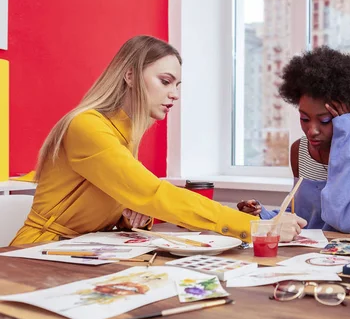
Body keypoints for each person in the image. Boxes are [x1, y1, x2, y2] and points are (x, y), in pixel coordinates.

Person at [11, 35, 305, 245]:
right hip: (36, 252)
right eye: (165, 82)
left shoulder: (123, 135)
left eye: (177, 85)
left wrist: (129, 215)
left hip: (79, 250)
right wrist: (256, 225)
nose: (175, 93)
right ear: (129, 75)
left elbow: (133, 198)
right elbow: (152, 193)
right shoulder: (87, 126)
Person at [238, 47, 350, 233]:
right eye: (304, 119)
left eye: (325, 120)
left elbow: (349, 219)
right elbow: (297, 214)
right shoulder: (299, 150)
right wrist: (263, 215)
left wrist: (348, 135)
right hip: (305, 255)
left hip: (347, 256)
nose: (312, 131)